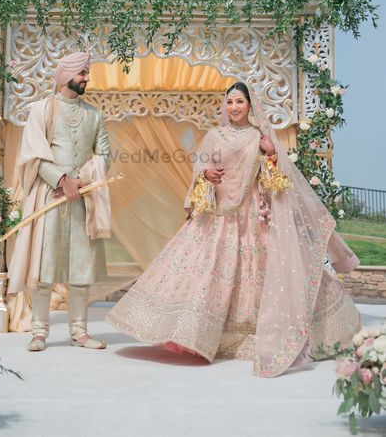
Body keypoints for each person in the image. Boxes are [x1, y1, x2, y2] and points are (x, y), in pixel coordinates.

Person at [106, 82, 361, 377]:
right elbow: (199, 166)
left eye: (239, 101)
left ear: (251, 105)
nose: (234, 107)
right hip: (217, 214)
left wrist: (271, 156)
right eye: (229, 102)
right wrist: (205, 174)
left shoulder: (260, 138)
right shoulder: (215, 135)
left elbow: (276, 183)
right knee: (202, 273)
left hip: (253, 216)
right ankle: (193, 334)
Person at [7, 51, 112, 351]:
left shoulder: (94, 115)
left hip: (83, 199)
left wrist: (82, 181)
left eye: (86, 72)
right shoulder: (42, 110)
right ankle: (39, 331)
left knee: (81, 267)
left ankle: (79, 332)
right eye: (82, 73)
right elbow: (33, 153)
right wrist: (62, 180)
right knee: (44, 266)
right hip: (49, 196)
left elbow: (105, 154)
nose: (87, 78)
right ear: (66, 75)